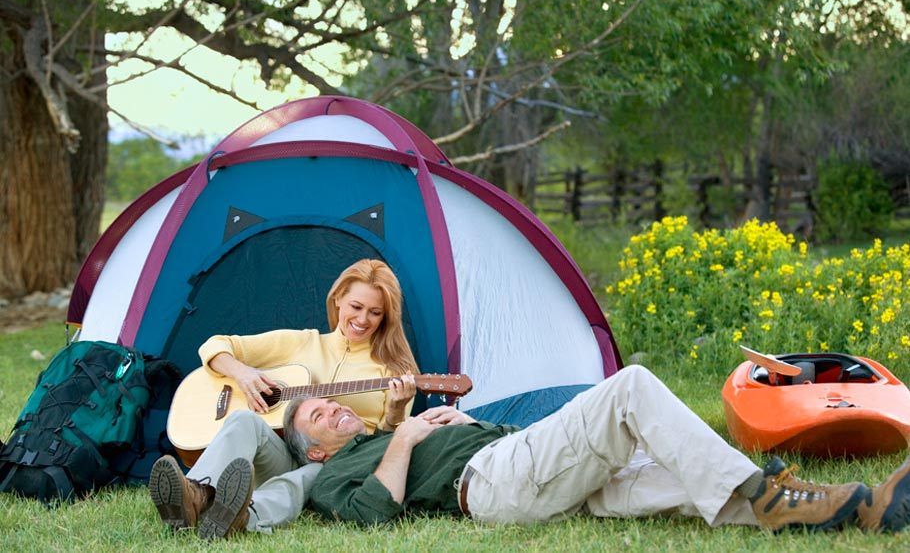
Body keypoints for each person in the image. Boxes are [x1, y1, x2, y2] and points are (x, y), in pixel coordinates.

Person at [280, 365, 910, 533]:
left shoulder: (381, 434)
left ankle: (858, 508)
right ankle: (767, 493)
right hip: (494, 485)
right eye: (318, 413)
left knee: (685, 478)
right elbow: (371, 515)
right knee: (630, 388)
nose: (332, 406)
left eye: (328, 400)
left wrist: (443, 421)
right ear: (315, 451)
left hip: (528, 471)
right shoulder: (332, 478)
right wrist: (412, 436)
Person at [148, 259, 418, 538]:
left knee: (312, 473)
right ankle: (194, 496)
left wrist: (395, 413)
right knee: (243, 418)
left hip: (342, 469)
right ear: (338, 299)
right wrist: (243, 374)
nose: (363, 320)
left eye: (375, 313)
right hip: (287, 456)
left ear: (386, 316)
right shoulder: (303, 343)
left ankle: (243, 517)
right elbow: (215, 346)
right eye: (356, 307)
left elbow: (392, 449)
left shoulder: (395, 371)